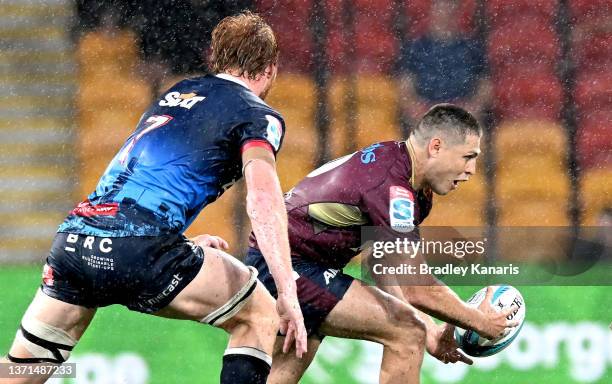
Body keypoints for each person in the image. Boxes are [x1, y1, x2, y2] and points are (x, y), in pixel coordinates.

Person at [1, 11, 306, 384]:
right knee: (259, 313)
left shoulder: (176, 94)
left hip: (77, 240)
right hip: (140, 247)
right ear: (271, 69)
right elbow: (261, 199)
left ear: (215, 58)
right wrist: (287, 289)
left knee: (20, 371)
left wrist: (173, 243)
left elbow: (140, 184)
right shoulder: (259, 116)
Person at [245, 104, 518, 383]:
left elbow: (380, 263)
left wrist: (431, 329)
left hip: (291, 264)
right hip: (287, 266)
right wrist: (479, 321)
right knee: (407, 333)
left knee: (283, 372)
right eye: (468, 157)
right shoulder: (394, 188)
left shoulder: (409, 180)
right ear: (436, 146)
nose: (472, 170)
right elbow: (416, 286)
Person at [398, 0, 490, 126]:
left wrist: (471, 110)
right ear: (432, 13)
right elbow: (405, 90)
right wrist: (421, 114)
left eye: (450, 13)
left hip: (462, 118)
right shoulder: (416, 49)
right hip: (426, 118)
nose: (445, 17)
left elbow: (485, 87)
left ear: (457, 15)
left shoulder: (472, 49)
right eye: (441, 12)